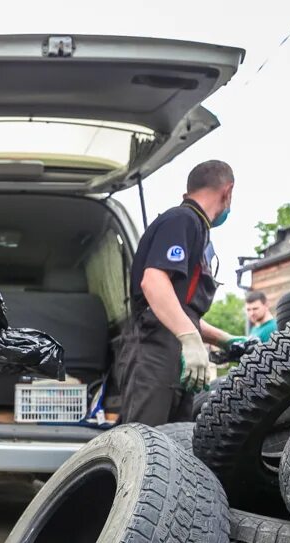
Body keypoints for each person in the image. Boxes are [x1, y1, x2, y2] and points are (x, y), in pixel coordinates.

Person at [120, 160, 247, 425]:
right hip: (155, 349)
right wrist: (190, 339)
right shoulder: (182, 219)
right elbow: (153, 283)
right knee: (145, 442)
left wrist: (226, 340)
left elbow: (180, 308)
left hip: (177, 353)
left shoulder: (197, 229)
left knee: (174, 446)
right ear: (228, 191)